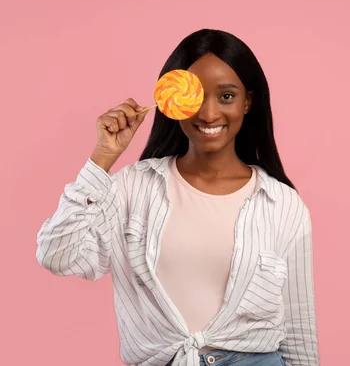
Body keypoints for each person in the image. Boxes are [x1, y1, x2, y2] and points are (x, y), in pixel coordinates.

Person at [36, 29, 319, 366]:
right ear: (172, 103)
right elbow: (57, 256)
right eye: (196, 97)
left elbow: (299, 330)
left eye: (226, 96)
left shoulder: (283, 204)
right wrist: (101, 160)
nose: (209, 114)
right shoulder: (132, 189)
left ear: (248, 102)